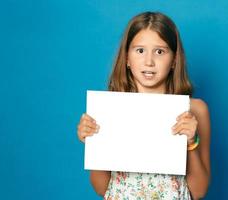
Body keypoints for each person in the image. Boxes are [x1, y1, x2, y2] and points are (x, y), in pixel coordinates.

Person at [77, 11, 211, 200]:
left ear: (174, 60)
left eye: (159, 51)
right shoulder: (109, 109)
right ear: (126, 58)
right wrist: (93, 141)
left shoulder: (195, 110)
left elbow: (198, 192)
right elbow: (102, 188)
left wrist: (191, 142)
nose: (149, 61)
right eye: (140, 50)